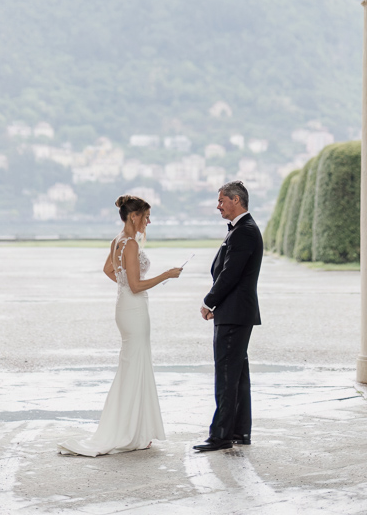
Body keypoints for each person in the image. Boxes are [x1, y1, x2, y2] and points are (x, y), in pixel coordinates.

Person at [57, 194, 182, 456]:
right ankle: (131, 432)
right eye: (146, 217)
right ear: (134, 216)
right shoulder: (132, 245)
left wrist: (125, 285)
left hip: (124, 307)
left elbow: (109, 271)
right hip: (134, 310)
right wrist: (166, 275)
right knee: (136, 366)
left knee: (131, 366)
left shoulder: (117, 241)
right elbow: (136, 286)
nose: (148, 221)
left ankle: (135, 429)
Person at [194, 180, 263, 452]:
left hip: (233, 313)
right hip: (236, 312)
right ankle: (238, 432)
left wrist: (209, 302)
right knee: (237, 375)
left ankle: (221, 435)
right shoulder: (242, 230)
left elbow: (230, 274)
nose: (218, 205)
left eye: (222, 200)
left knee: (226, 374)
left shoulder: (244, 231)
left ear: (236, 200)